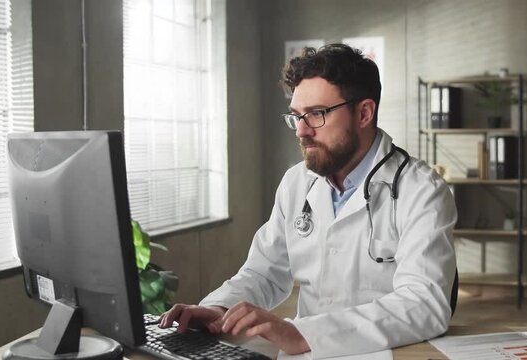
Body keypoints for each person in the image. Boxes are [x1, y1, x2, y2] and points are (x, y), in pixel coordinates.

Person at [160, 44, 457, 359]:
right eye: (296, 116)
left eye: (317, 114)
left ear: (364, 113)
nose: (301, 131)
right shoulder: (296, 182)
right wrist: (219, 308)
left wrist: (302, 332)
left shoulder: (421, 190)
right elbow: (264, 272)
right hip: (306, 353)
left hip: (386, 353)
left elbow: (424, 304)